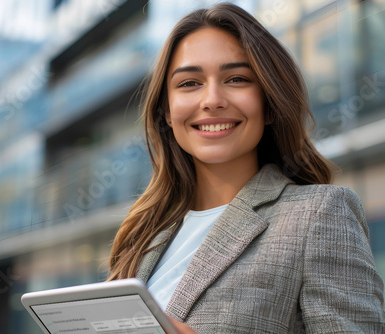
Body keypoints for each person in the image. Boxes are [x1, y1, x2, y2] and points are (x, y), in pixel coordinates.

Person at [107, 2, 385, 333]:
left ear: (269, 102)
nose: (212, 100)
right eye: (189, 83)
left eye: (237, 79)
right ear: (167, 111)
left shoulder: (320, 214)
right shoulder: (142, 235)